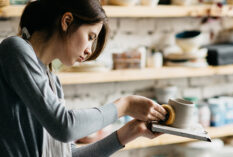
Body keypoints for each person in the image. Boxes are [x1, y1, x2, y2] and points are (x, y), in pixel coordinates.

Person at [0, 0, 167, 156]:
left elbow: (67, 153)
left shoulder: (52, 82)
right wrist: (125, 105)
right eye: (90, 37)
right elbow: (64, 126)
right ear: (67, 21)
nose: (89, 51)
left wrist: (129, 132)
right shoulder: (15, 50)